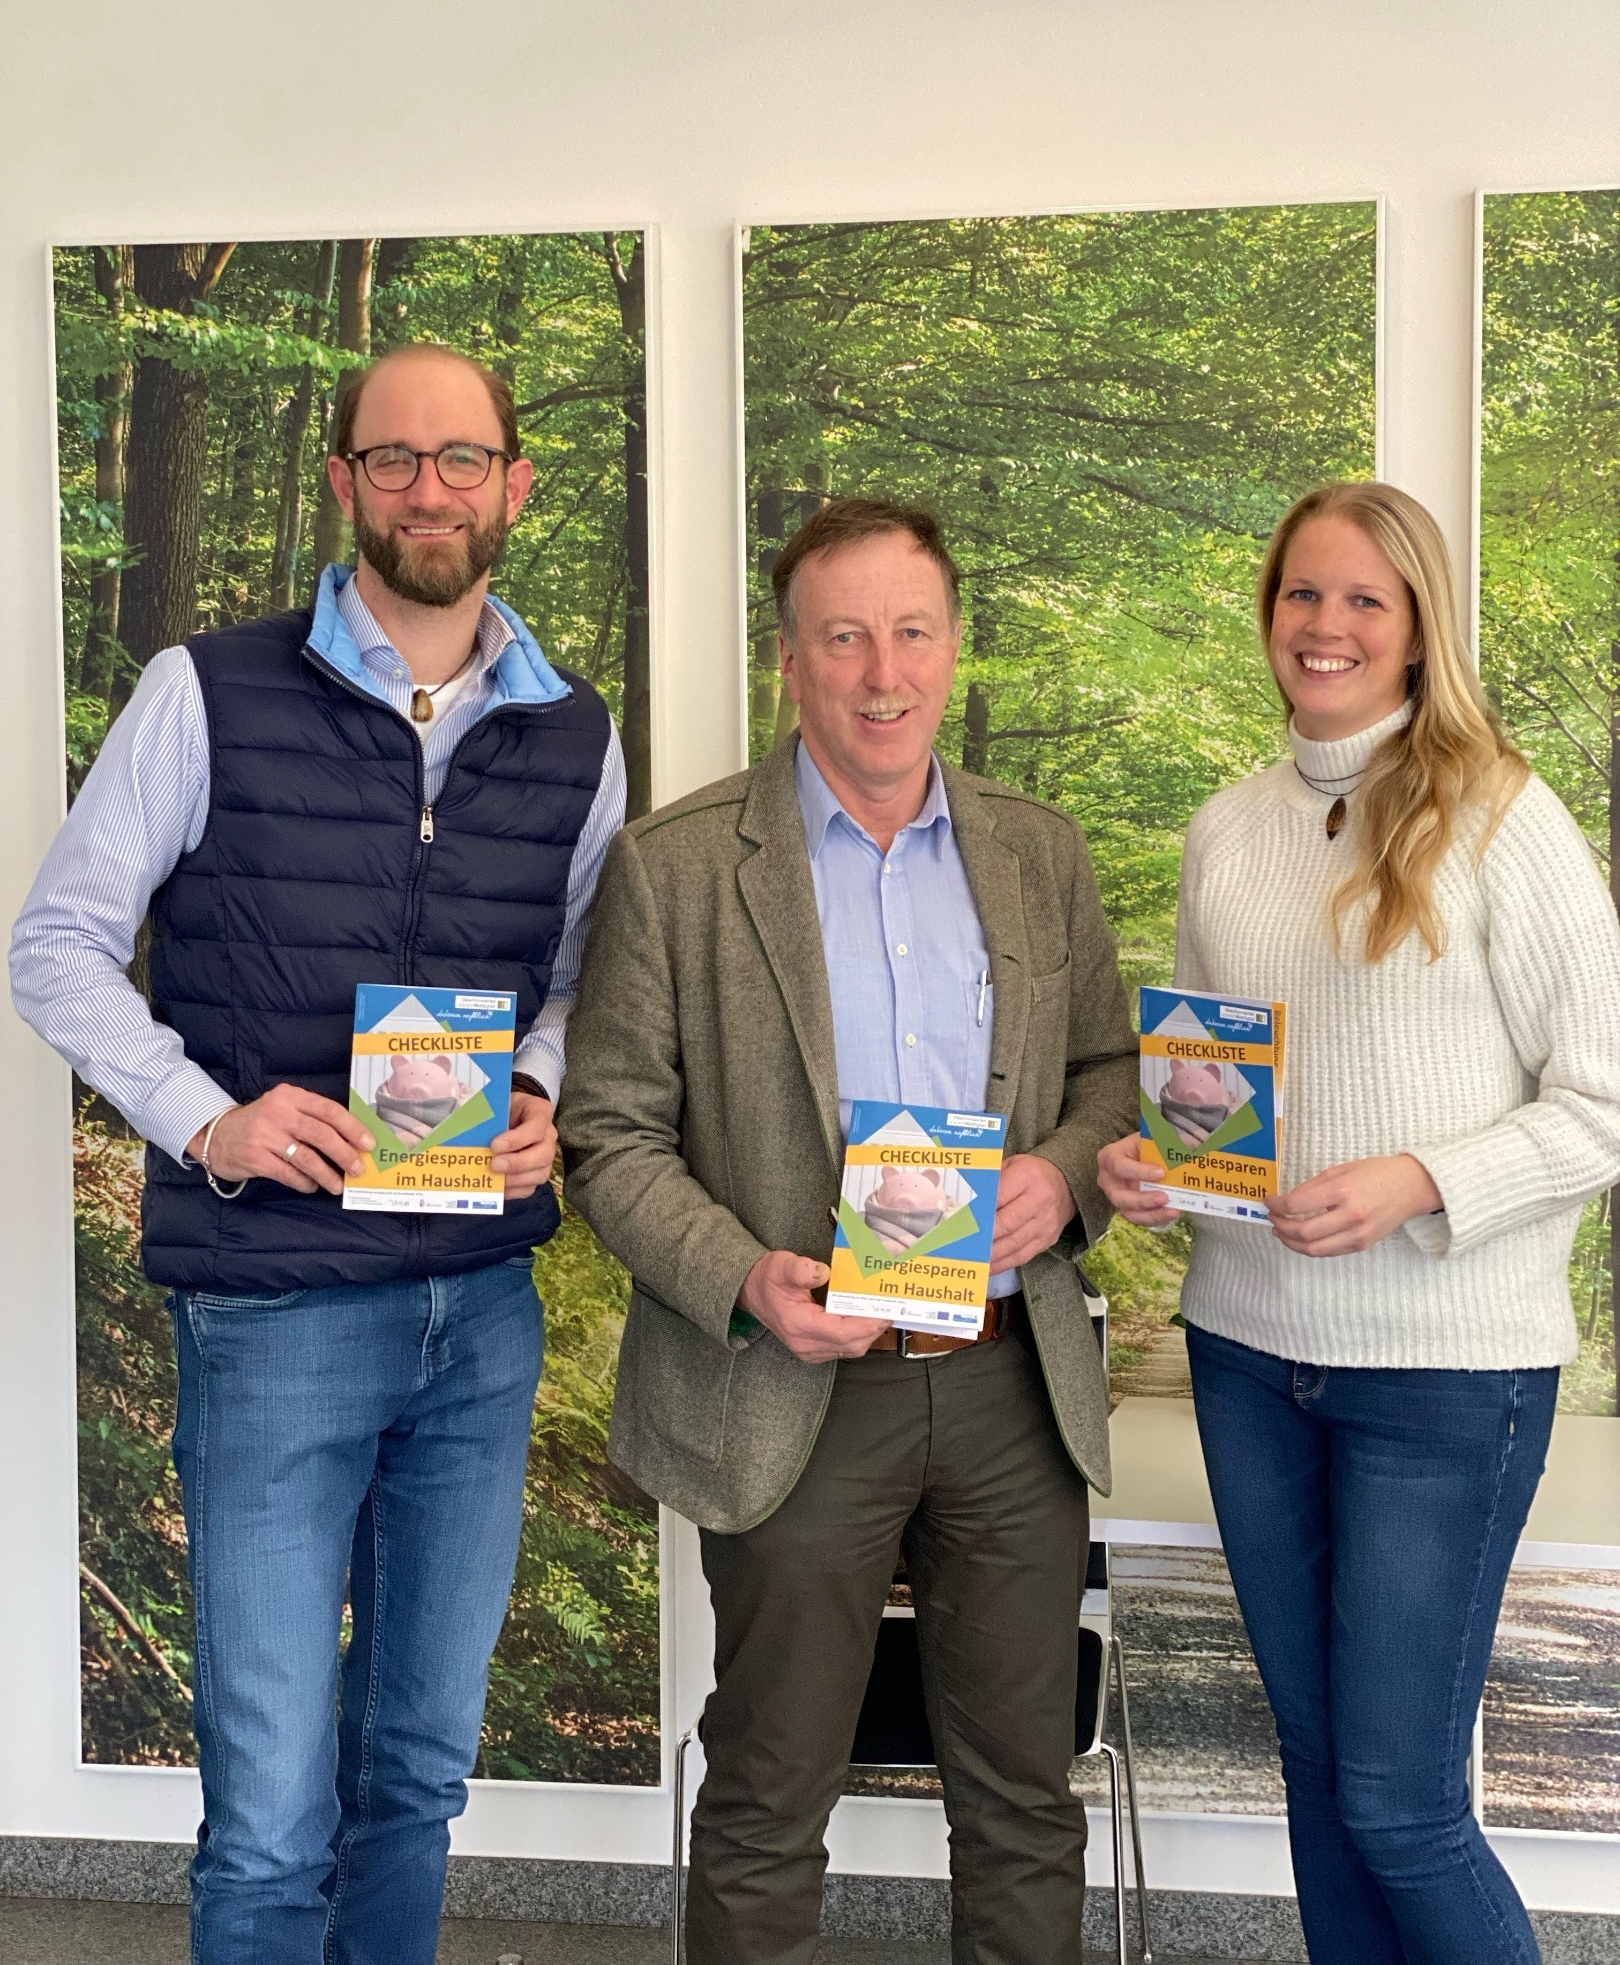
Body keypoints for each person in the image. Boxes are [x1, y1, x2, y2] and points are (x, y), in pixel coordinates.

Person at [10, 343, 626, 1965]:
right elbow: (56, 946)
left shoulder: (578, 735)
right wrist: (206, 1116)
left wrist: (542, 1085)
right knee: (273, 1817)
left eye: (463, 457)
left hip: (479, 1317)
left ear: (515, 484)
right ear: (345, 480)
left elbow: (583, 978)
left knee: (414, 1779)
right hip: (274, 1310)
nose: (431, 488)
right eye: (395, 458)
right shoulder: (204, 692)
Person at [558, 497, 1138, 1965]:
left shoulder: (1039, 853)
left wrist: (1064, 1176)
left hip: (1010, 1385)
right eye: (845, 637)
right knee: (768, 1794)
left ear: (953, 646)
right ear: (789, 658)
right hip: (792, 1386)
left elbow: (1107, 1076)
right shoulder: (679, 866)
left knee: (1024, 1801)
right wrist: (743, 1279)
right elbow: (608, 1136)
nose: (885, 671)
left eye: (913, 632)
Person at [1097, 482, 1620, 1965]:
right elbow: (1214, 1096)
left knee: (1400, 1807)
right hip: (1247, 1356)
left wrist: (1422, 1180)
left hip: (1444, 1379)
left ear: (1418, 628)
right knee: (1322, 1785)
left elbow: (1606, 1097)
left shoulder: (1505, 820)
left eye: (1363, 600)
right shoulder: (1227, 830)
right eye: (1302, 594)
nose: (1325, 626)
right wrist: (1157, 1165)